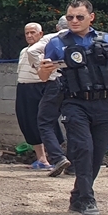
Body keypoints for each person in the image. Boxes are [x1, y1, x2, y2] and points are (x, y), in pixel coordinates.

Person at [39, 0, 108, 215]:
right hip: (74, 102)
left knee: (97, 153)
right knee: (83, 148)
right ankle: (88, 199)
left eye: (79, 17)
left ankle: (77, 196)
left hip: (103, 102)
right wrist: (44, 70)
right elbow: (44, 76)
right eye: (70, 17)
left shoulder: (106, 40)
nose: (74, 21)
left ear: (91, 17)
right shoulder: (57, 43)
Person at [27, 16, 71, 176]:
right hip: (78, 85)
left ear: (58, 27)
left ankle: (58, 157)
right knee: (74, 122)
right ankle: (73, 164)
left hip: (56, 82)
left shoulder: (52, 38)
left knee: (45, 121)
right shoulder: (83, 37)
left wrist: (42, 66)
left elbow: (32, 51)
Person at [16, 23, 53, 169]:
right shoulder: (24, 51)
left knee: (43, 122)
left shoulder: (45, 50)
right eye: (27, 33)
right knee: (28, 122)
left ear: (41, 34)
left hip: (39, 87)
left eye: (33, 32)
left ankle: (53, 157)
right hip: (23, 88)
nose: (29, 36)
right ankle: (41, 158)